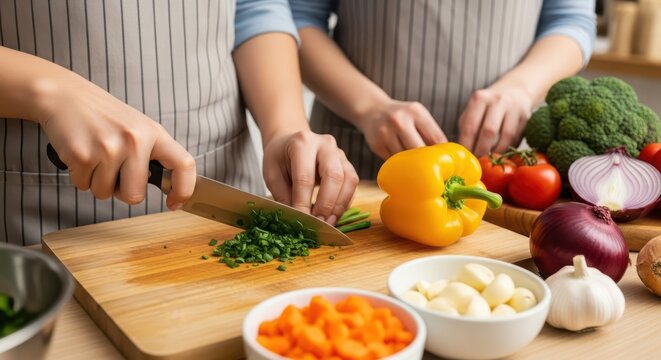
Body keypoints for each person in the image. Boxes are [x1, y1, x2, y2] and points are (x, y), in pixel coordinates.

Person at [0, 0, 358, 246]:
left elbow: (252, 6)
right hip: (41, 219)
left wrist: (283, 128)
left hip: (226, 189)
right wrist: (52, 92)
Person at [289, 0, 596, 178]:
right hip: (354, 161)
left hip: (500, 167)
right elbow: (296, 17)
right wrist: (368, 108)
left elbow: (571, 20)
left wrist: (522, 88)